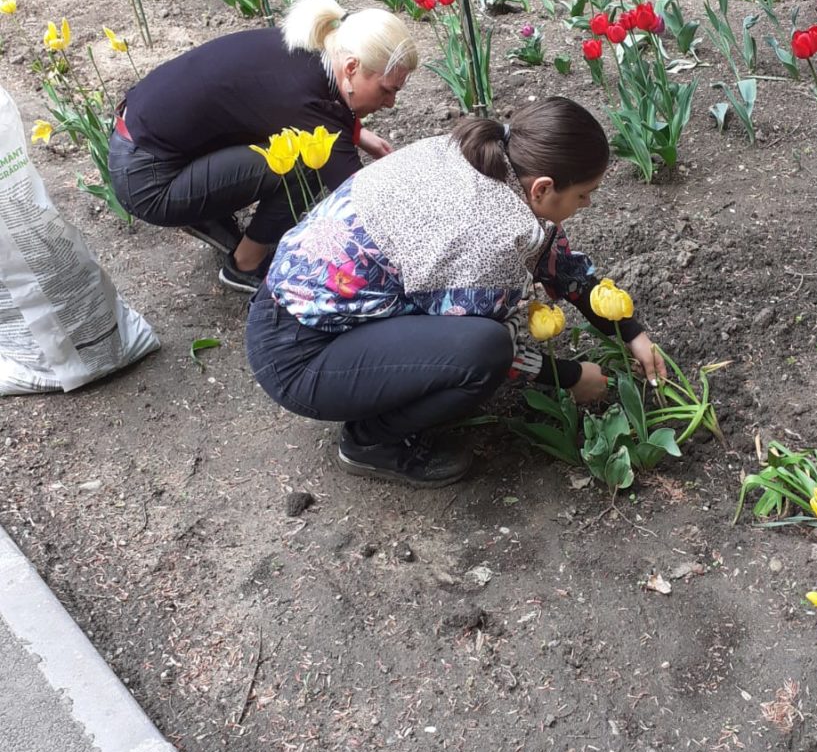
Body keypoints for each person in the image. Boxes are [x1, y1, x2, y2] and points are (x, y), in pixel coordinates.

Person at [245, 97, 666, 488]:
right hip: (300, 356)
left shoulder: (482, 153)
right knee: (486, 348)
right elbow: (503, 352)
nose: (587, 203)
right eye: (582, 194)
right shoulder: (491, 235)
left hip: (294, 303)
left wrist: (627, 329)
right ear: (542, 188)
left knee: (476, 342)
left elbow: (549, 252)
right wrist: (571, 378)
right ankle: (372, 442)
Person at [107, 0, 419, 293]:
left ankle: (207, 213)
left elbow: (289, 102)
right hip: (148, 181)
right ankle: (245, 265)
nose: (391, 103)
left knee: (289, 140)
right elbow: (359, 201)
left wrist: (356, 133)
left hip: (140, 138)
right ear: (351, 67)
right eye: (386, 90)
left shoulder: (313, 44)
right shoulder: (310, 105)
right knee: (306, 162)